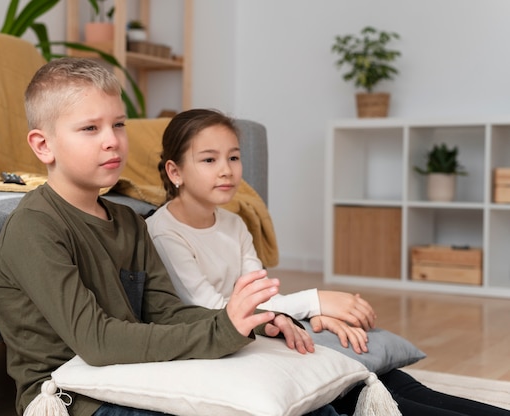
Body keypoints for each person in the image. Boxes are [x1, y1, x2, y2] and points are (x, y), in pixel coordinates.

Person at [0, 58, 339, 416]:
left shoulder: (129, 221)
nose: (113, 141)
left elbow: (166, 313)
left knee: (315, 404)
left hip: (135, 377)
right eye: (90, 129)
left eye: (119, 124)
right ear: (43, 145)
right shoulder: (34, 227)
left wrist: (257, 319)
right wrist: (222, 331)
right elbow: (96, 342)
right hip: (73, 396)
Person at [145, 108, 510, 416]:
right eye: (209, 159)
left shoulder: (234, 222)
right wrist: (315, 301)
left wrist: (307, 317)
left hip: (268, 333)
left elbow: (258, 295)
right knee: (376, 397)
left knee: (396, 381)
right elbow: (213, 311)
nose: (226, 170)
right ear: (175, 172)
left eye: (234, 157)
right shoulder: (163, 233)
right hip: (229, 349)